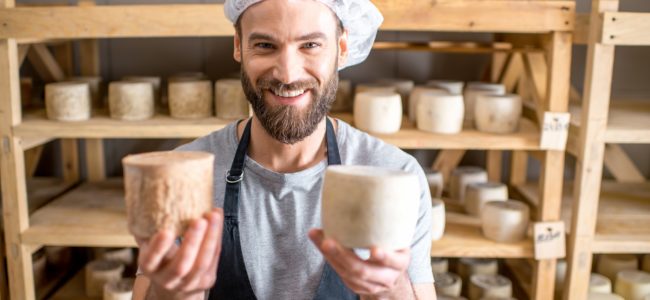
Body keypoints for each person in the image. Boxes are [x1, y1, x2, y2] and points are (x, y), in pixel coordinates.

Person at [132, 0, 436, 299]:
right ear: (238, 46)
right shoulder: (183, 175)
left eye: (310, 45)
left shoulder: (395, 176)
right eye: (265, 45)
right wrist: (171, 295)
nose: (287, 75)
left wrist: (390, 291)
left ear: (342, 48)